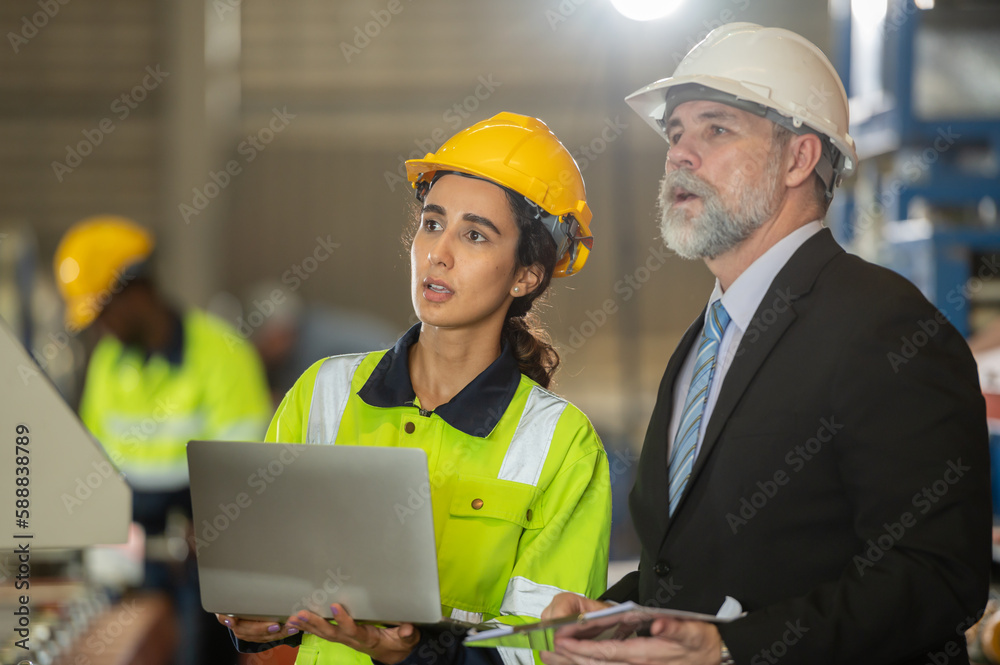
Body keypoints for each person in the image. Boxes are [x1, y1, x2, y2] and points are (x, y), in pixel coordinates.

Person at [539, 23, 991, 665]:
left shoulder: (884, 327)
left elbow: (937, 579)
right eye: (675, 133)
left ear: (799, 159)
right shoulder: (704, 342)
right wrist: (617, 616)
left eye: (715, 129)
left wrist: (731, 648)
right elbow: (697, 571)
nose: (680, 156)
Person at [220, 112, 612, 665]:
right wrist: (262, 621)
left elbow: (539, 652)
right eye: (433, 223)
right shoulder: (323, 393)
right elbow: (277, 585)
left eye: (474, 234)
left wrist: (414, 654)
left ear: (526, 275)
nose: (439, 253)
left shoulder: (561, 445)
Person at [54, 215, 273, 665]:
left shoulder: (222, 355)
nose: (101, 328)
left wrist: (211, 527)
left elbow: (247, 474)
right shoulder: (109, 365)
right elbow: (96, 465)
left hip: (202, 543)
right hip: (136, 547)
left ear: (136, 291)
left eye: (103, 313)